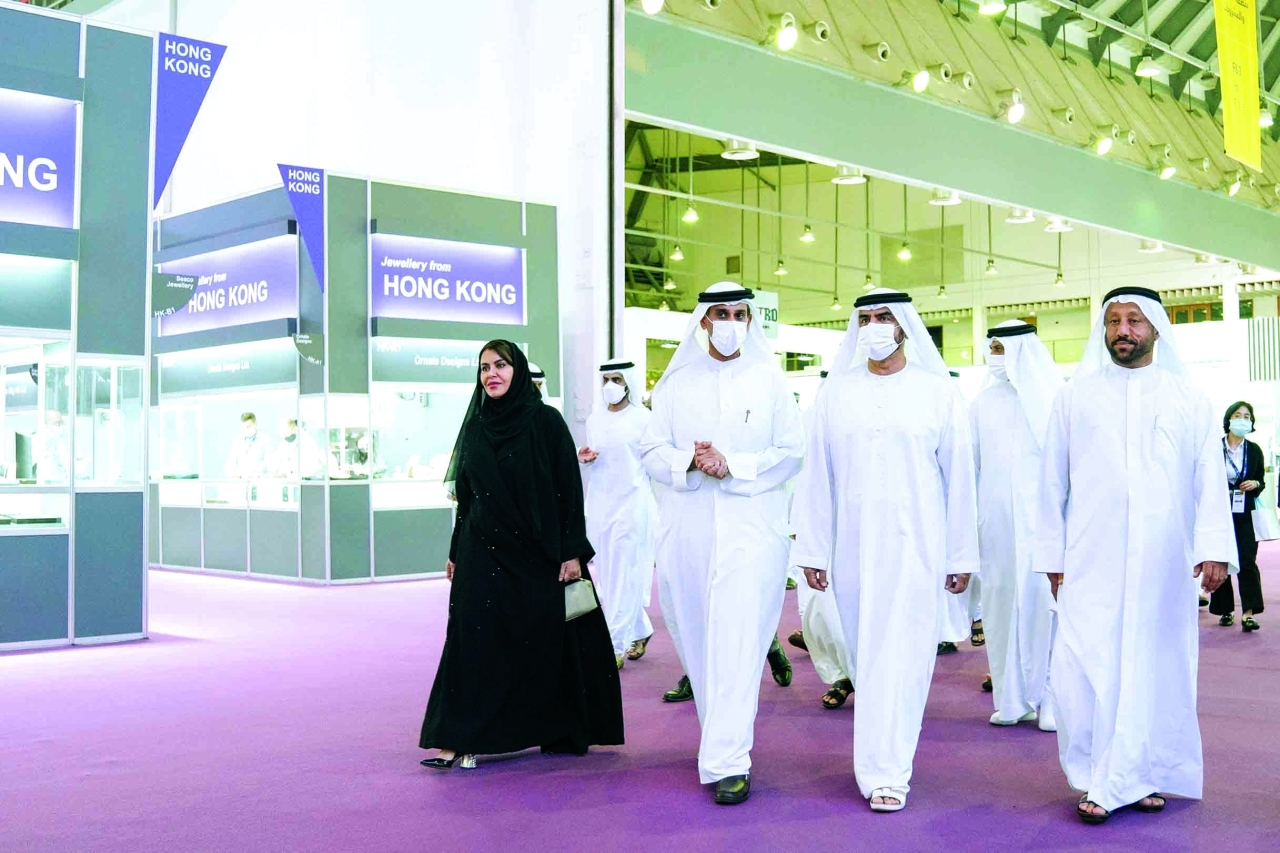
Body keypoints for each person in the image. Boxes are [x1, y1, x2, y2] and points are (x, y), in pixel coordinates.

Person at [1035, 286, 1233, 824]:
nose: (1122, 330)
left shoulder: (1187, 397)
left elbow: (1208, 478)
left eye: (1134, 320)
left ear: (1156, 329)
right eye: (1114, 320)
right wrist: (1052, 555)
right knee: (1084, 666)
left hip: (1163, 560)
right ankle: (1108, 773)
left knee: (1153, 666)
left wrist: (1215, 548)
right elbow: (1050, 481)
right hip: (1090, 556)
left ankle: (1133, 775)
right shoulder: (1075, 396)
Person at [793, 288, 979, 813]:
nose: (874, 325)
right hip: (850, 550)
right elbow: (817, 477)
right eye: (866, 317)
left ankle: (890, 771)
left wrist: (961, 556)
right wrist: (813, 549)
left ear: (904, 326)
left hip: (918, 545)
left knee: (905, 657)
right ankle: (877, 762)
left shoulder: (937, 392)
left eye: (884, 317)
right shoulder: (836, 393)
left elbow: (960, 479)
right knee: (866, 657)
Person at [419, 340, 623, 769]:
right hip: (480, 549)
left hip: (536, 553)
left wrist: (572, 552)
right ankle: (456, 737)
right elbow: (467, 498)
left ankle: (550, 726)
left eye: (500, 365)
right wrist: (455, 551)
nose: (491, 374)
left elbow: (568, 491)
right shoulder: (475, 426)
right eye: (484, 368)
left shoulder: (545, 422)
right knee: (471, 639)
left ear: (519, 371)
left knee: (541, 642)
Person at [639, 282, 805, 805]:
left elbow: (792, 451)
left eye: (739, 313)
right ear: (704, 321)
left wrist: (734, 464)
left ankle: (731, 759)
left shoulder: (770, 380)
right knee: (697, 641)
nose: (731, 322)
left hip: (752, 531)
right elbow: (650, 450)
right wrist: (689, 460)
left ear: (749, 321)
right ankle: (720, 742)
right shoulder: (676, 384)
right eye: (721, 313)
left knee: (738, 640)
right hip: (687, 532)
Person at [971, 321, 1062, 730]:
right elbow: (971, 466)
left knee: (1048, 610)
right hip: (996, 529)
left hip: (1043, 527)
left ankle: (1052, 701)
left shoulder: (1055, 399)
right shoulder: (981, 403)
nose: (994, 357)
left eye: (1000, 349)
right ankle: (1012, 700)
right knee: (1000, 607)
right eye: (991, 348)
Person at [578, 359, 658, 669]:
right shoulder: (594, 420)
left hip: (633, 505)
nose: (611, 385)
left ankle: (615, 644)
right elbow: (601, 460)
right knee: (609, 575)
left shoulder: (644, 419)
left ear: (628, 383)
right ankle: (640, 628)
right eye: (606, 380)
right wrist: (586, 458)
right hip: (601, 506)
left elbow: (652, 465)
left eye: (617, 379)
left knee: (625, 573)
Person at [790, 371, 856, 709]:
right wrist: (799, 522)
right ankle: (842, 674)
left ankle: (867, 678)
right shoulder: (814, 416)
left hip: (880, 529)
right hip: (826, 526)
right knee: (823, 608)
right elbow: (805, 474)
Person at [1209, 401, 1265, 633]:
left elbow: (1261, 480)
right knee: (1222, 557)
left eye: (1247, 416)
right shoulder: (1214, 448)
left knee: (1247, 561)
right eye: (1238, 415)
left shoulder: (1254, 450)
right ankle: (1226, 610)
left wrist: (1255, 483)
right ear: (1229, 419)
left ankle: (1248, 613)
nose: (1242, 420)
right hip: (1219, 511)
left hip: (1245, 512)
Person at [225, 412, 271, 478]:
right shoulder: (237, 440)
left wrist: (258, 473)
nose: (246, 429)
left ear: (255, 424)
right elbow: (232, 461)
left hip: (259, 479)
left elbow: (269, 462)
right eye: (244, 427)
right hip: (241, 479)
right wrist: (231, 473)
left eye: (248, 426)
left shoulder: (265, 440)